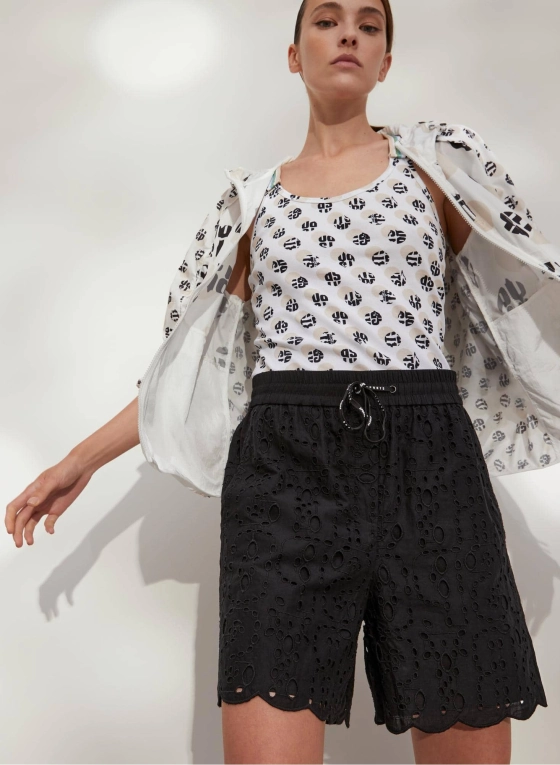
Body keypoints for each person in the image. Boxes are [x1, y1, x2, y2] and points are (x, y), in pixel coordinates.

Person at [5, 1, 551, 763]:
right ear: (294, 55)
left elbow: (528, 293)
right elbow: (188, 369)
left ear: (386, 62)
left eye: (369, 24)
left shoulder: (436, 170)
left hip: (431, 467)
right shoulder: (250, 204)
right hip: (285, 472)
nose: (350, 32)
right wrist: (77, 461)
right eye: (327, 20)